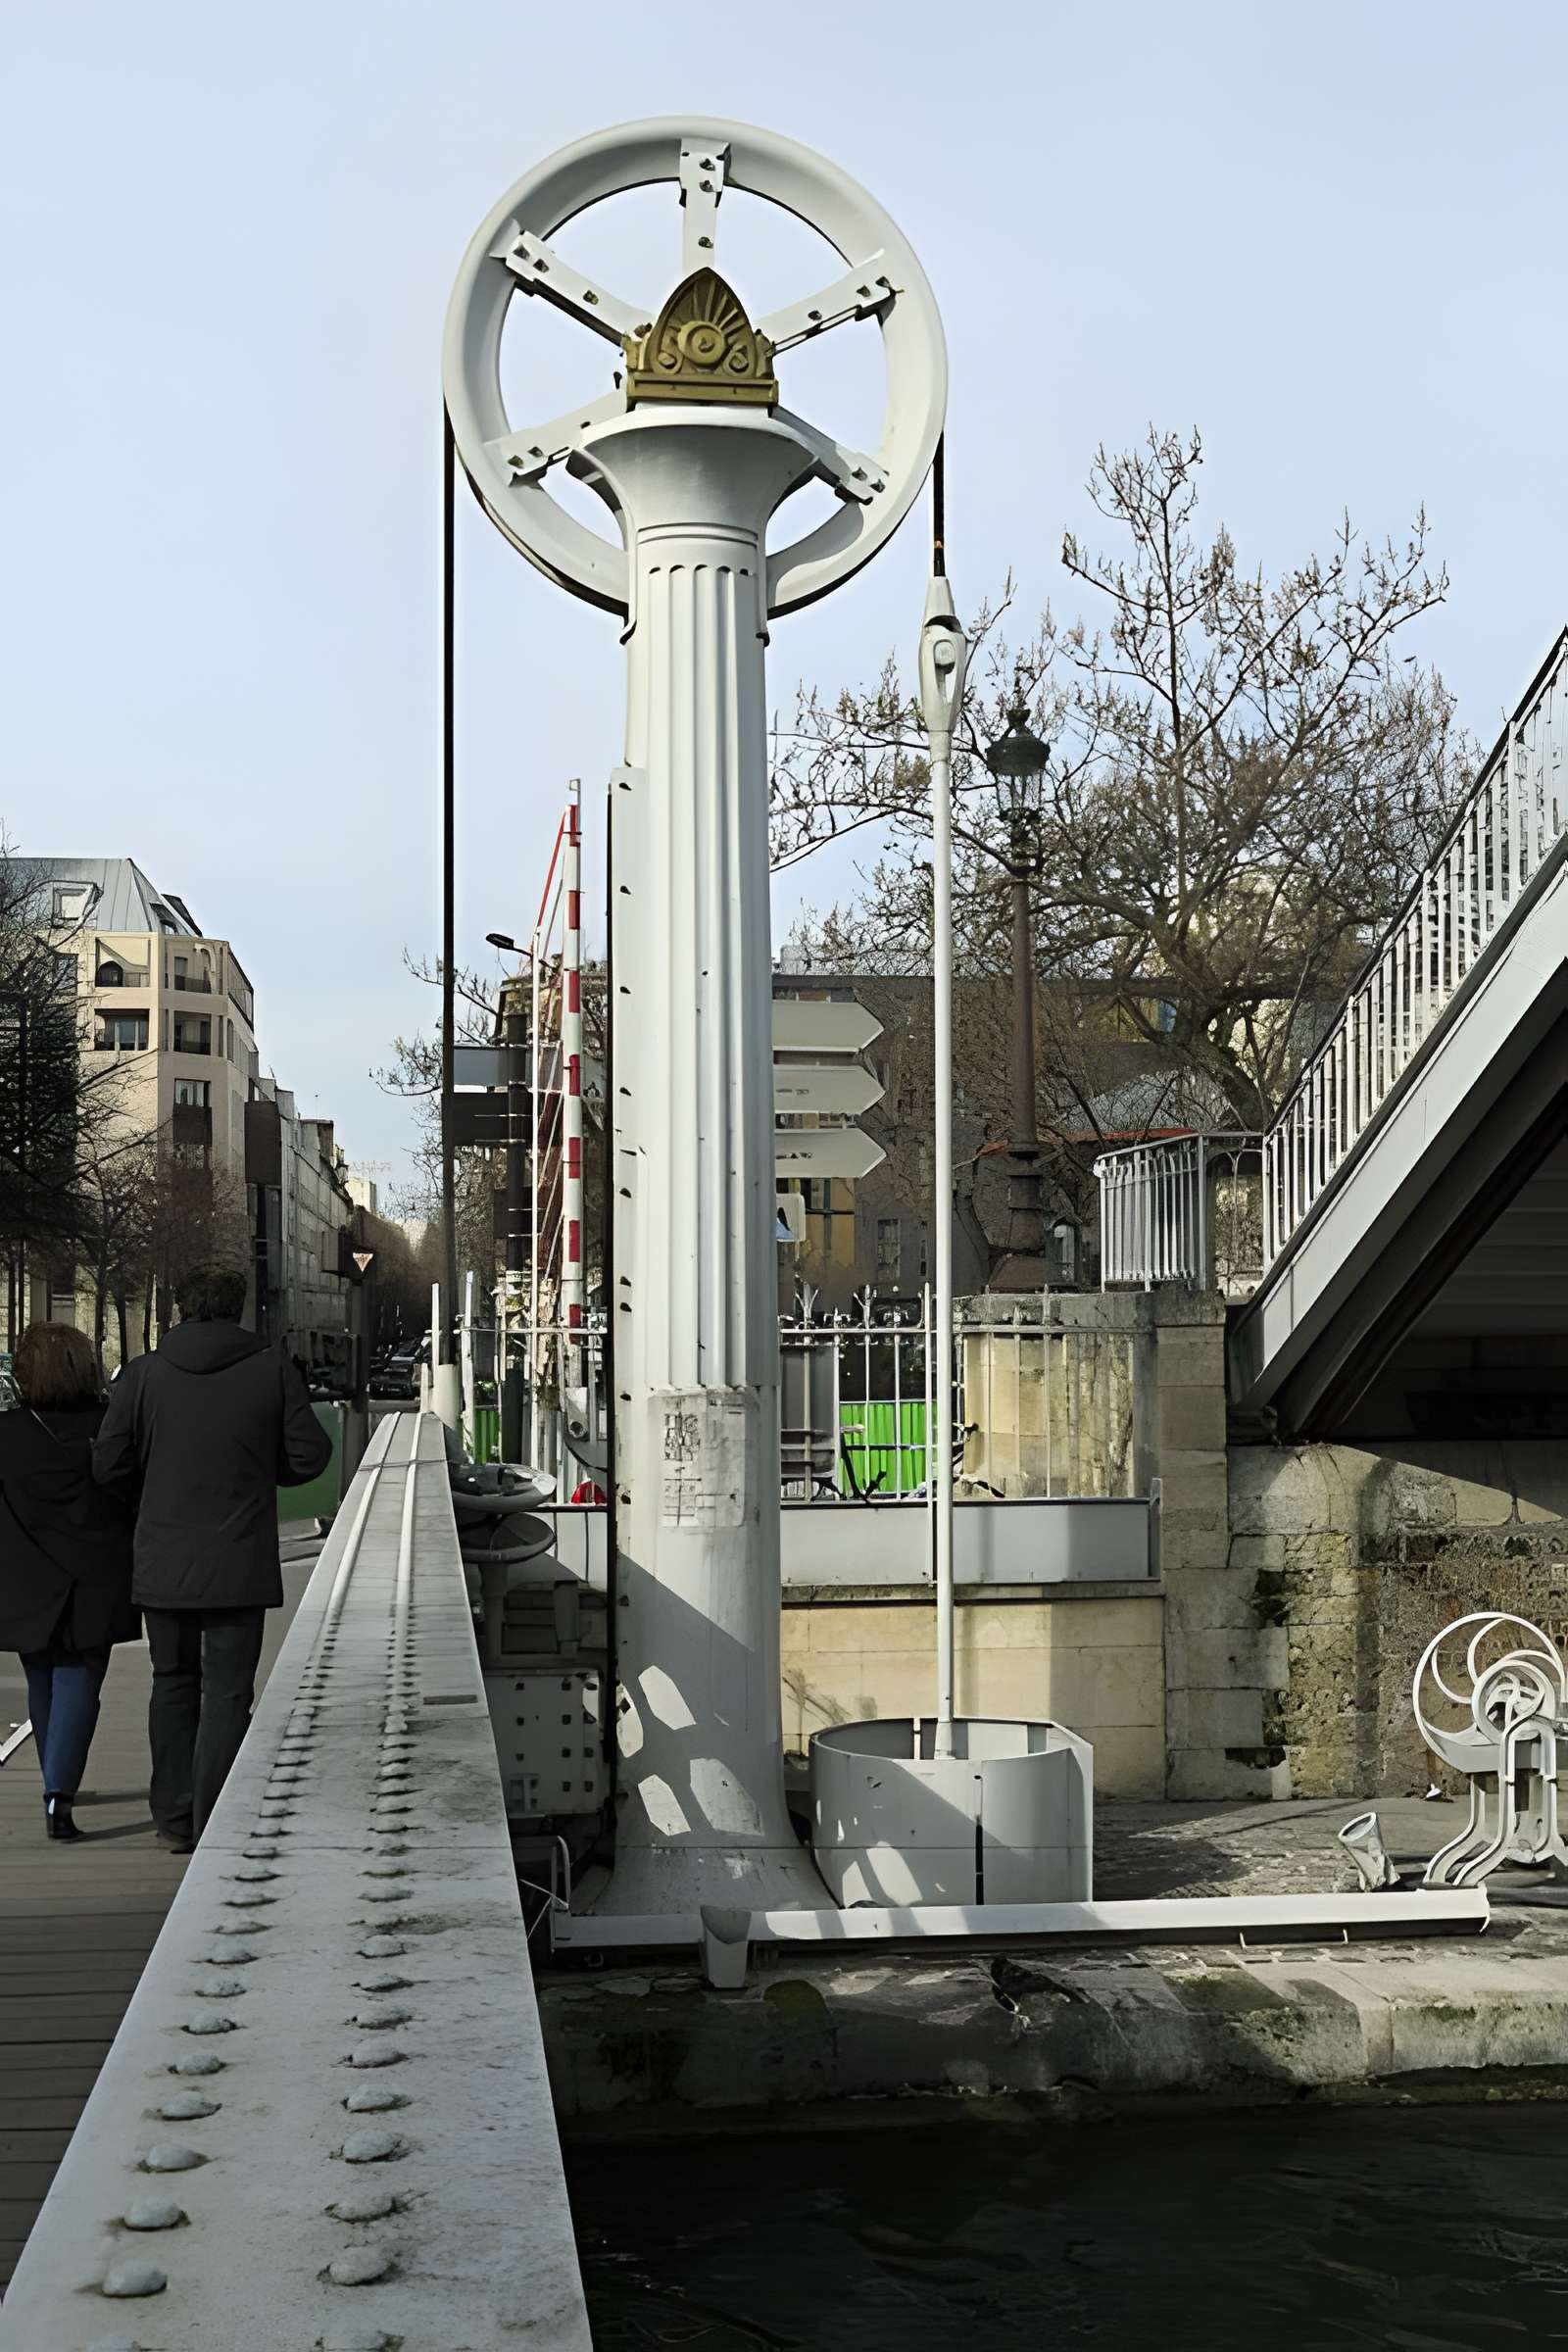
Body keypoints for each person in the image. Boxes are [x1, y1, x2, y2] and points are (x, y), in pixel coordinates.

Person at [93, 1264, 332, 1851]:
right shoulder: (271, 1370)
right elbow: (309, 1456)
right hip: (238, 1561)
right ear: (237, 1307)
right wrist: (260, 1472)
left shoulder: (144, 1375)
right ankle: (217, 1818)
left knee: (171, 1681)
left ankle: (173, 1819)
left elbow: (108, 1465)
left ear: (178, 1305)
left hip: (163, 1562)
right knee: (227, 1691)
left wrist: (148, 1497)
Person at [0, 1323, 138, 1841]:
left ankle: (54, 1781)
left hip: (25, 1577)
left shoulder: (7, 1432)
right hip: (96, 1572)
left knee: (42, 1679)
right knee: (80, 1678)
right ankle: (60, 1790)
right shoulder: (110, 1426)